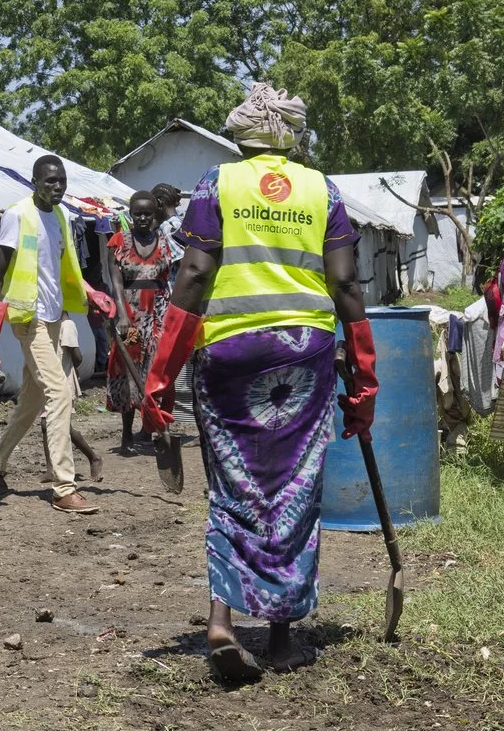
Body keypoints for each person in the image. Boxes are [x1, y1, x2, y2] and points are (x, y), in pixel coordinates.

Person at [141, 83, 378, 685]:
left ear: (241, 134)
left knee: (232, 482)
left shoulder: (216, 185)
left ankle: (220, 624)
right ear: (291, 135)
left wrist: (161, 373)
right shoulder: (322, 190)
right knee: (294, 486)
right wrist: (365, 377)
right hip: (305, 355)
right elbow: (347, 286)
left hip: (229, 354)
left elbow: (194, 274)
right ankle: (278, 637)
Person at [0, 154, 113, 513]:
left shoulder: (63, 216)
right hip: (27, 317)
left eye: (62, 181)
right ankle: (63, 487)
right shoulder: (17, 214)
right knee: (59, 392)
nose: (57, 187)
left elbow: (62, 269)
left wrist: (90, 292)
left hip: (52, 317)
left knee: (32, 402)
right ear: (35, 181)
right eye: (50, 181)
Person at [105, 191, 182, 454]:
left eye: (147, 213)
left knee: (157, 370)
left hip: (159, 314)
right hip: (132, 316)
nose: (142, 218)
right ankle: (127, 435)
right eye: (137, 213)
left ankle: (150, 429)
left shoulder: (165, 241)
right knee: (129, 369)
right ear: (130, 213)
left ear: (154, 215)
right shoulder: (120, 241)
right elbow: (115, 280)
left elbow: (173, 277)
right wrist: (122, 316)